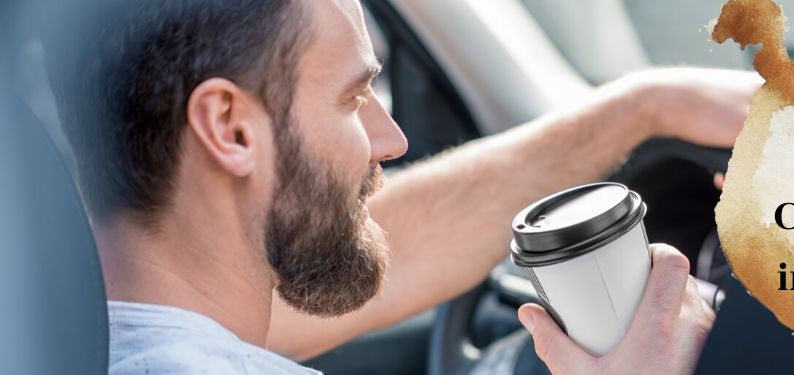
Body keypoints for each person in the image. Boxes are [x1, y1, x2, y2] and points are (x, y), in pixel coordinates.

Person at [46, 0, 756, 373]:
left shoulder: (65, 330)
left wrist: (645, 105)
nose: (391, 139)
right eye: (355, 98)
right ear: (229, 130)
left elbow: (392, 248)